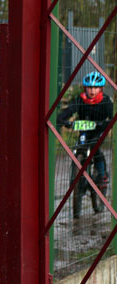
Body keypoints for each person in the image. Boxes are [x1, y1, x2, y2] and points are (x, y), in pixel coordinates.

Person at [57, 71, 112, 217]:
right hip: (84, 131)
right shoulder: (80, 100)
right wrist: (62, 119)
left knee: (95, 147)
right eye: (89, 88)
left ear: (100, 89)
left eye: (95, 88)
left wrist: (107, 123)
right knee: (80, 146)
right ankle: (77, 178)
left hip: (99, 130)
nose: (92, 91)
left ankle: (102, 176)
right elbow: (69, 111)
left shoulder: (106, 101)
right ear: (85, 88)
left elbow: (111, 116)